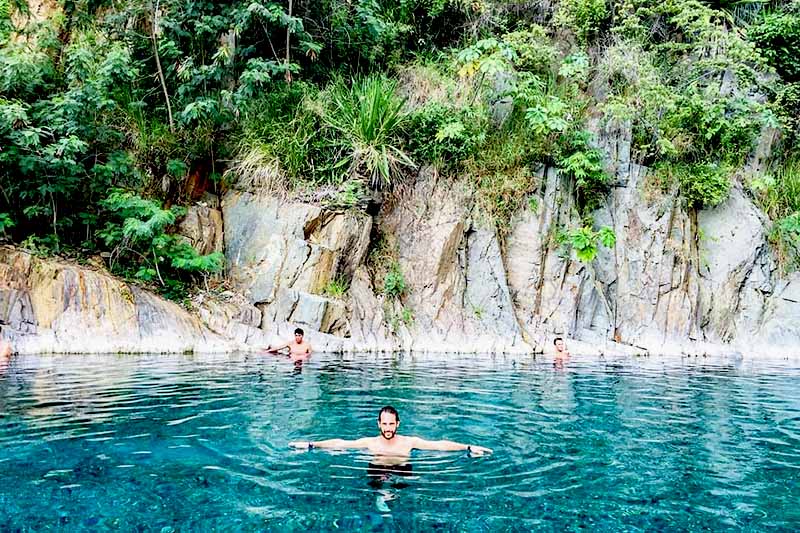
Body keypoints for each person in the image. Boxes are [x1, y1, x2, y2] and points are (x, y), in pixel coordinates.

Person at [289, 405, 492, 459]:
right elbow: (340, 443)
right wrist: (311, 444)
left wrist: (467, 447)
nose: (387, 428)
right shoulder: (370, 442)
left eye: (391, 424)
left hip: (402, 474)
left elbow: (439, 445)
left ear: (397, 424)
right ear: (379, 424)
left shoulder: (408, 442)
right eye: (384, 424)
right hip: (377, 475)